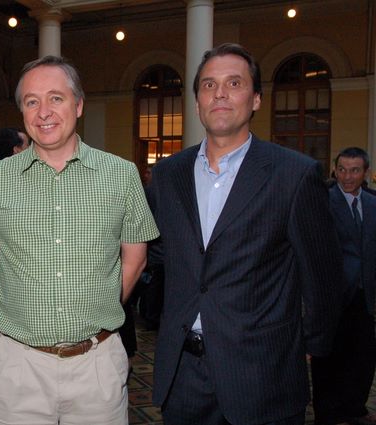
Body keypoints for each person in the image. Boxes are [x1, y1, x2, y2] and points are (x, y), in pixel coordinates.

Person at [148, 43, 343, 425]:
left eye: (233, 83)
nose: (219, 93)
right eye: (209, 85)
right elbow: (160, 254)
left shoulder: (294, 174)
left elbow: (323, 274)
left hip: (263, 375)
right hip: (184, 378)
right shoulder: (169, 175)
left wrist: (311, 344)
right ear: (197, 103)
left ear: (255, 100)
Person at [0, 55, 159, 425]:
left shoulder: (121, 175)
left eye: (56, 98)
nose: (43, 112)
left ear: (78, 105)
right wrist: (19, 306)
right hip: (18, 366)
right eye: (32, 101)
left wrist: (98, 307)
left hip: (97, 363)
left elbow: (135, 257)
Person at [311, 147, 376, 425]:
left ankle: (355, 408)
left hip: (365, 295)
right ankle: (328, 414)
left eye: (354, 170)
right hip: (332, 295)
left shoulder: (373, 203)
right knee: (329, 359)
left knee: (363, 357)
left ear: (366, 173)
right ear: (335, 170)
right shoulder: (322, 202)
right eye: (342, 170)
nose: (347, 177)